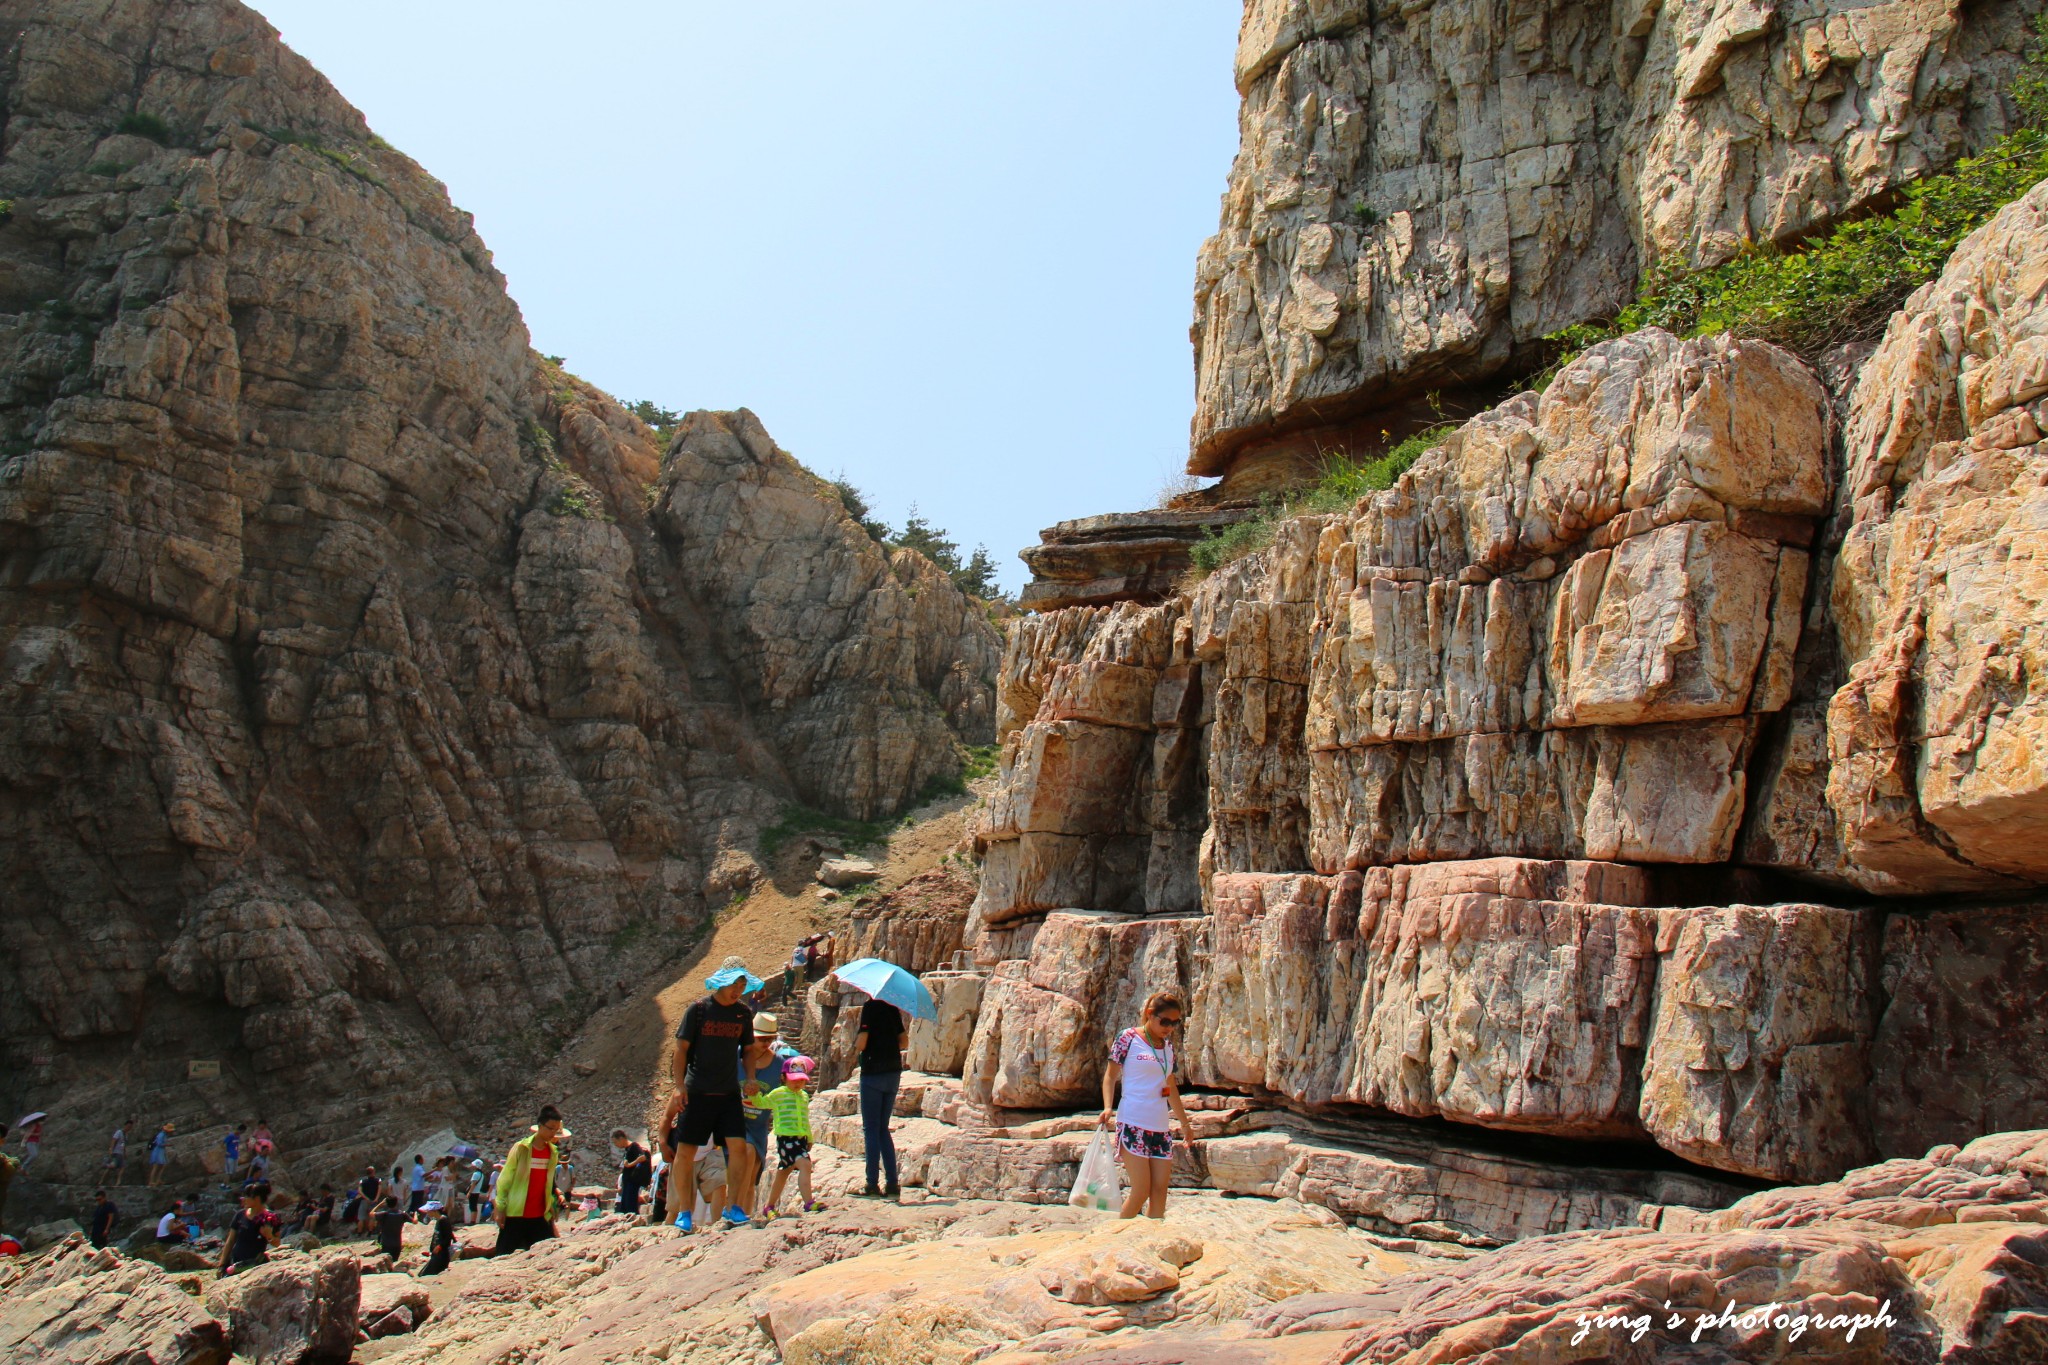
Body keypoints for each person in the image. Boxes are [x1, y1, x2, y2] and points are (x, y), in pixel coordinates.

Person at [666, 960, 760, 1231]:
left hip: (728, 1091)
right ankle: (685, 1212)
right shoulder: (698, 1011)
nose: (738, 990)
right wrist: (679, 1086)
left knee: (739, 1148)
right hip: (698, 1091)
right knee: (686, 1151)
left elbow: (749, 1050)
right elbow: (681, 1049)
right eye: (734, 984)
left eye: (742, 985)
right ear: (722, 982)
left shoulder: (742, 1014)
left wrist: (750, 1078)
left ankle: (734, 1208)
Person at [1098, 989, 1198, 1220]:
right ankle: (1115, 1239)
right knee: (1141, 1190)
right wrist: (1107, 1107)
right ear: (1150, 1014)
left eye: (1175, 1023)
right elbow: (1110, 1076)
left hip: (1160, 1126)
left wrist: (1185, 1124)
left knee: (1160, 1191)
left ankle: (1152, 1240)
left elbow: (1170, 1086)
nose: (1169, 1028)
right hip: (1133, 1121)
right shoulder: (1128, 1038)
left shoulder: (1168, 1048)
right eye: (1164, 1021)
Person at [493, 1104, 568, 1255]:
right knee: (503, 1255)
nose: (553, 1133)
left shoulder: (552, 1152)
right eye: (551, 1128)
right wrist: (500, 1208)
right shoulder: (521, 1148)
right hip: (516, 1213)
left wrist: (551, 1203)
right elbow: (505, 1179)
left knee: (545, 1256)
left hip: (539, 1215)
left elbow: (548, 1183)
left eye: (556, 1130)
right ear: (540, 1125)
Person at [736, 1013, 793, 1213]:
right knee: (747, 1156)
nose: (766, 1043)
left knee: (752, 1174)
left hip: (758, 1125)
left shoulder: (778, 1064)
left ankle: (743, 1214)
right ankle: (736, 1211)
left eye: (770, 1039)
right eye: (762, 1039)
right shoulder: (736, 1056)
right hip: (734, 1121)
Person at [852, 992, 906, 1198]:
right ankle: (892, 1184)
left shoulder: (869, 1008)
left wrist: (858, 1042)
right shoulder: (894, 1009)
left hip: (873, 1073)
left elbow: (862, 1043)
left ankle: (871, 1184)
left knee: (871, 1129)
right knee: (883, 1128)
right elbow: (904, 1041)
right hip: (893, 1072)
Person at [762, 1056, 821, 1219]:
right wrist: (752, 1095)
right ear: (784, 1077)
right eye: (794, 1079)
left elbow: (805, 1117)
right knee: (805, 1164)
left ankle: (769, 1206)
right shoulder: (779, 1094)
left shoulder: (803, 1096)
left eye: (801, 1080)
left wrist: (808, 1137)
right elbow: (763, 1102)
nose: (798, 1084)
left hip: (800, 1138)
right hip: (786, 1139)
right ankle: (809, 1202)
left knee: (784, 1172)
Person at [220, 1184, 279, 1274]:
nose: (244, 1199)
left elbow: (277, 1243)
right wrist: (222, 1264)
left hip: (254, 1265)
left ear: (257, 1199)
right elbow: (230, 1241)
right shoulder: (240, 1215)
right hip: (235, 1263)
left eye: (247, 1196)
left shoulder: (270, 1218)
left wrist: (269, 1236)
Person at [611, 1130, 650, 1215]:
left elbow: (643, 1157)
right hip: (627, 1181)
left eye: (616, 1142)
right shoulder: (627, 1149)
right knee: (624, 1206)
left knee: (630, 1205)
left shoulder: (634, 1146)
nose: (616, 1145)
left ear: (621, 1138)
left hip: (632, 1181)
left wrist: (630, 1164)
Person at [422, 1203, 456, 1275]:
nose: (427, 1213)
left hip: (442, 1254)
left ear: (435, 1211)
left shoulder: (443, 1220)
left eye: (428, 1211)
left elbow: (448, 1237)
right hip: (437, 1253)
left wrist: (439, 1246)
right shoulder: (439, 1220)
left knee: (428, 1273)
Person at [373, 1194, 407, 1261]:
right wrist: (415, 1215)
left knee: (387, 1263)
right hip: (397, 1244)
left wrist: (380, 1204)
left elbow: (371, 1213)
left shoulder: (384, 1214)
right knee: (394, 1262)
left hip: (386, 1244)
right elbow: (415, 1221)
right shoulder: (402, 1214)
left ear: (387, 1204)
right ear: (396, 1203)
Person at [146, 1121, 172, 1187]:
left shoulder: (164, 1135)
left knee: (162, 1165)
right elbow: (159, 1143)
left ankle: (158, 1180)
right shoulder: (161, 1135)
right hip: (157, 1151)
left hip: (160, 1152)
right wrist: (167, 1145)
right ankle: (151, 1181)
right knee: (155, 1166)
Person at [106, 1119, 131, 1186]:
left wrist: (125, 1152)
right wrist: (111, 1149)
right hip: (116, 1152)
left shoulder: (126, 1135)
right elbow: (113, 1140)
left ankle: (118, 1181)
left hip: (121, 1153)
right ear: (125, 1125)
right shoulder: (119, 1132)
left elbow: (124, 1144)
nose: (129, 1128)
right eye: (128, 1126)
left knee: (122, 1167)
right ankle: (102, 1180)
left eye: (130, 1127)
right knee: (111, 1167)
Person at [358, 1166, 382, 1235]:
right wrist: (376, 1198)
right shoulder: (378, 1180)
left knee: (361, 1218)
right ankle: (370, 1232)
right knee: (372, 1217)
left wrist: (366, 1198)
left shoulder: (362, 1181)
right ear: (373, 1172)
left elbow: (359, 1191)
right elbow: (379, 1189)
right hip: (373, 1200)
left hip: (364, 1201)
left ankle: (359, 1233)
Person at [466, 1158, 489, 1225]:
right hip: (477, 1192)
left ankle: (472, 1221)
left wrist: (469, 1192)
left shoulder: (475, 1174)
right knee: (474, 1206)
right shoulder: (481, 1174)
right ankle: (474, 1220)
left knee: (472, 1206)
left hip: (473, 1192)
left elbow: (473, 1184)